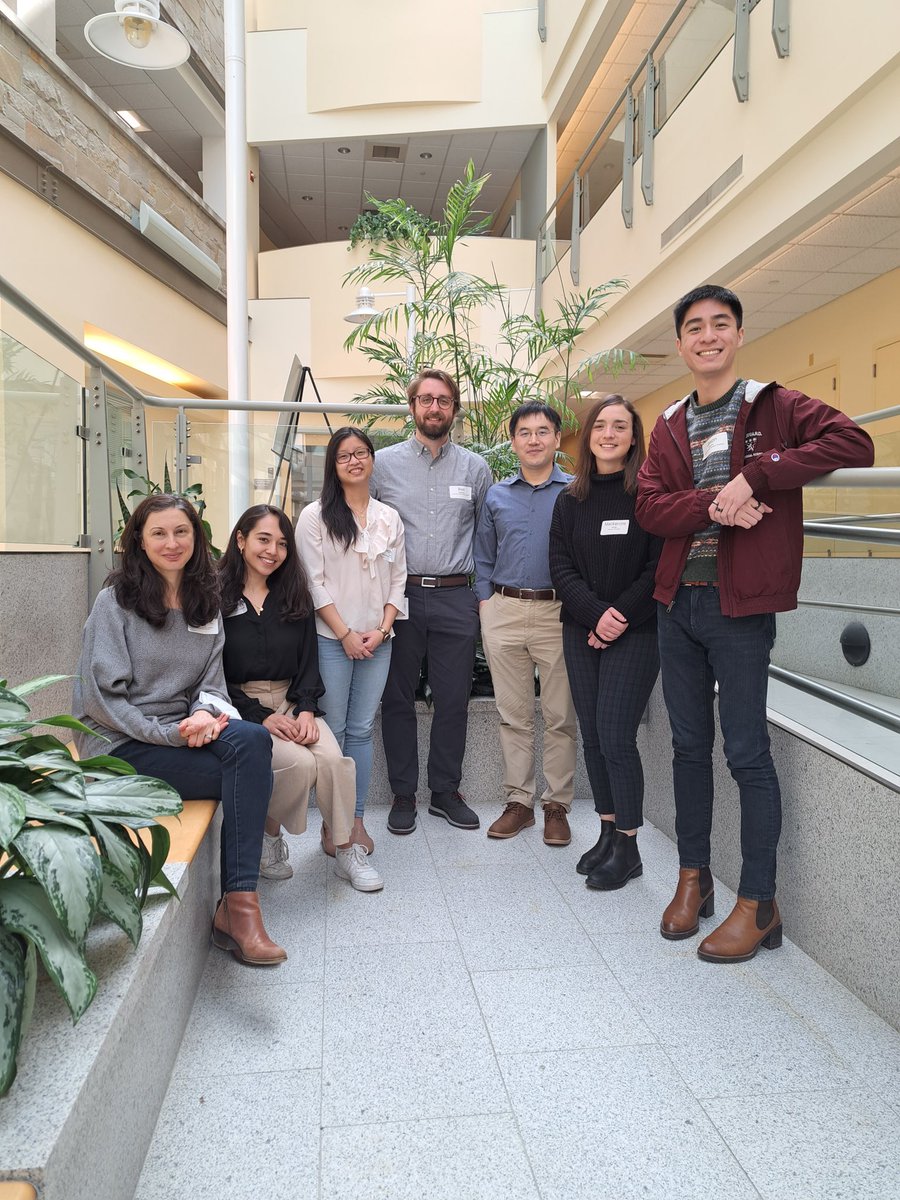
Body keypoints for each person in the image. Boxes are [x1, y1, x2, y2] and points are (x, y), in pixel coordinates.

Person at [636, 283, 874, 961]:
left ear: (738, 335)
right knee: (687, 748)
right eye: (694, 328)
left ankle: (758, 902)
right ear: (681, 343)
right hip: (676, 602)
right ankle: (693, 879)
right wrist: (717, 501)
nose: (707, 337)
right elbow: (652, 508)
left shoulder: (775, 404)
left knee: (745, 752)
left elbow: (851, 443)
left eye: (720, 325)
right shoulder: (671, 421)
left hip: (740, 611)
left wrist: (760, 474)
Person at [73, 494, 286, 966]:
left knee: (253, 741)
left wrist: (208, 716)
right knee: (252, 776)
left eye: (181, 532)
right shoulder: (115, 603)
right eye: (159, 533)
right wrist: (171, 733)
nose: (172, 543)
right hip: (121, 743)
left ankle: (239, 905)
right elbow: (101, 701)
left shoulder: (204, 602)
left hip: (185, 729)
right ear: (140, 541)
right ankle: (239, 910)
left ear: (197, 537)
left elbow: (212, 682)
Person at [218, 504, 383, 893]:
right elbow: (213, 675)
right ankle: (269, 838)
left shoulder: (292, 594)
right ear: (240, 540)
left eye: (281, 543)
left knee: (332, 760)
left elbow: (309, 660)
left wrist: (307, 709)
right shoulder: (215, 599)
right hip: (242, 705)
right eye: (263, 539)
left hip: (293, 699)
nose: (272, 551)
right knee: (297, 764)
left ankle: (345, 850)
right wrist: (260, 717)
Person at [370, 368, 492, 835]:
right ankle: (404, 793)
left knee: (454, 698)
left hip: (456, 596)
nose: (434, 407)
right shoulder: (382, 466)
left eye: (443, 400)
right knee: (396, 697)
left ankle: (445, 791)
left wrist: (481, 598)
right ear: (412, 407)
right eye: (426, 399)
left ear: (454, 409)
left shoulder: (476, 469)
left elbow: (485, 537)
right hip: (397, 600)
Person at [549, 396, 662, 889]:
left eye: (621, 426)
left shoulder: (649, 496)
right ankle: (608, 830)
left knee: (616, 736)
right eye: (601, 426)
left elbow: (657, 568)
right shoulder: (570, 499)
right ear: (588, 435)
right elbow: (560, 567)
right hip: (580, 629)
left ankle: (631, 847)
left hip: (637, 632)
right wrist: (595, 616)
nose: (609, 434)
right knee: (593, 735)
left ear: (634, 437)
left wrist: (615, 619)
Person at [295, 427, 407, 854]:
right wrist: (345, 635)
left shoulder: (388, 517)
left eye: (361, 453)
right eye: (344, 456)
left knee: (360, 730)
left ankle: (355, 819)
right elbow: (314, 583)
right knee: (334, 733)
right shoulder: (315, 515)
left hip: (379, 641)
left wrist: (380, 632)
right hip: (331, 640)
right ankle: (332, 822)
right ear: (333, 465)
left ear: (372, 459)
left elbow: (399, 581)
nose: (354, 461)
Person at [474, 401, 578, 846]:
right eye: (524, 432)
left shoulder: (576, 492)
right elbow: (481, 553)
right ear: (513, 441)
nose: (533, 440)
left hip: (559, 612)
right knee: (513, 715)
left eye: (542, 431)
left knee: (560, 716)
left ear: (557, 438)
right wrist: (485, 604)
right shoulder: (496, 494)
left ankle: (557, 806)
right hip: (504, 610)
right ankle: (519, 802)